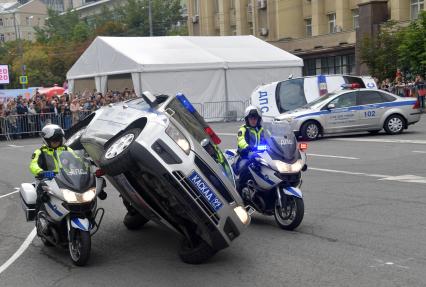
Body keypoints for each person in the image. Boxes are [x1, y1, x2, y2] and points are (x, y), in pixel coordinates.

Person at [234, 105, 265, 194]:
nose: (253, 120)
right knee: (244, 170)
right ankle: (239, 192)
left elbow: (270, 138)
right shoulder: (243, 129)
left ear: (258, 119)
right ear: (247, 119)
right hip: (246, 155)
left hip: (262, 155)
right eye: (251, 118)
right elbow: (241, 140)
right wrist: (246, 147)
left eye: (255, 118)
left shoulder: (262, 129)